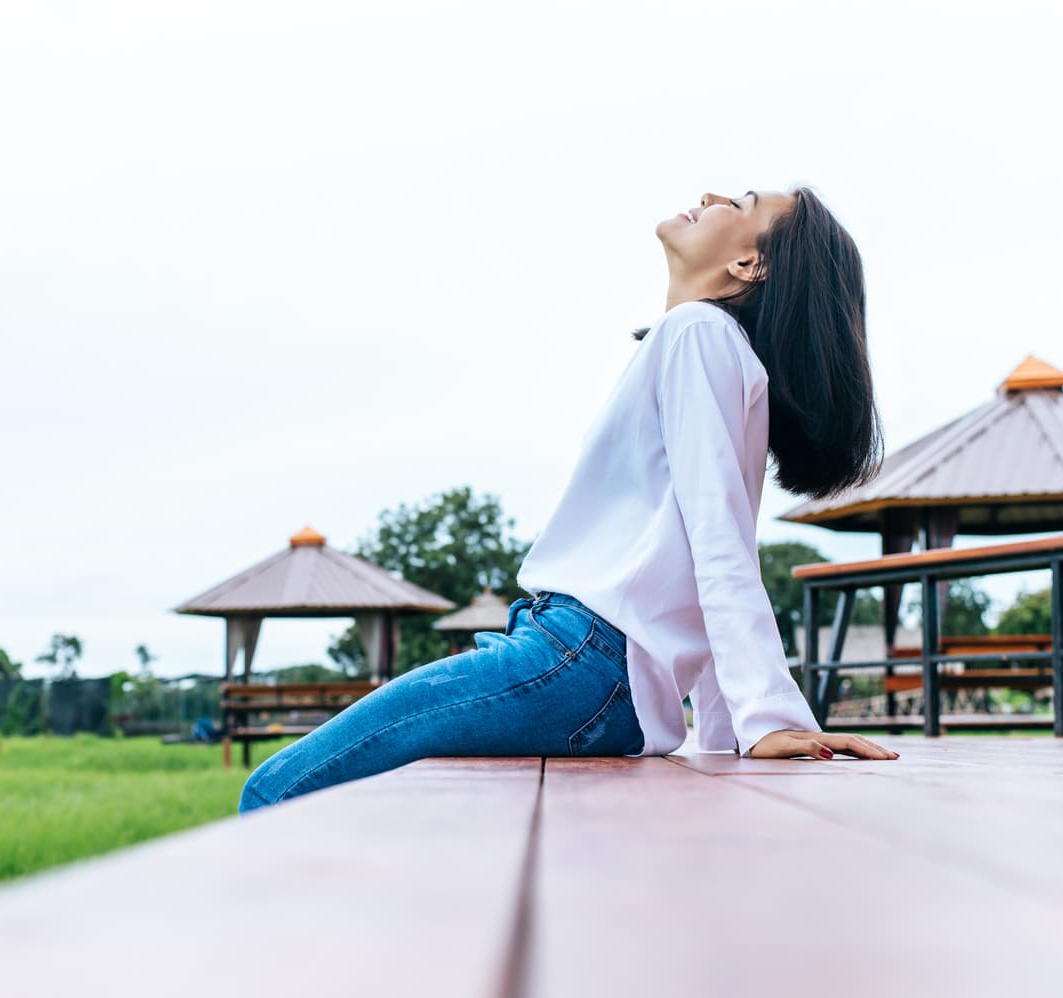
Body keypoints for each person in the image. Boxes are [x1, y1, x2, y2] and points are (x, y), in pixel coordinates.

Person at [238, 186, 900, 814]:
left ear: (748, 262)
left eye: (740, 203)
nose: (709, 197)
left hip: (581, 660)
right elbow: (700, 556)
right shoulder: (702, 348)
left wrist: (766, 722)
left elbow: (717, 536)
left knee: (276, 793)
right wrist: (729, 731)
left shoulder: (698, 333)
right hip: (580, 662)